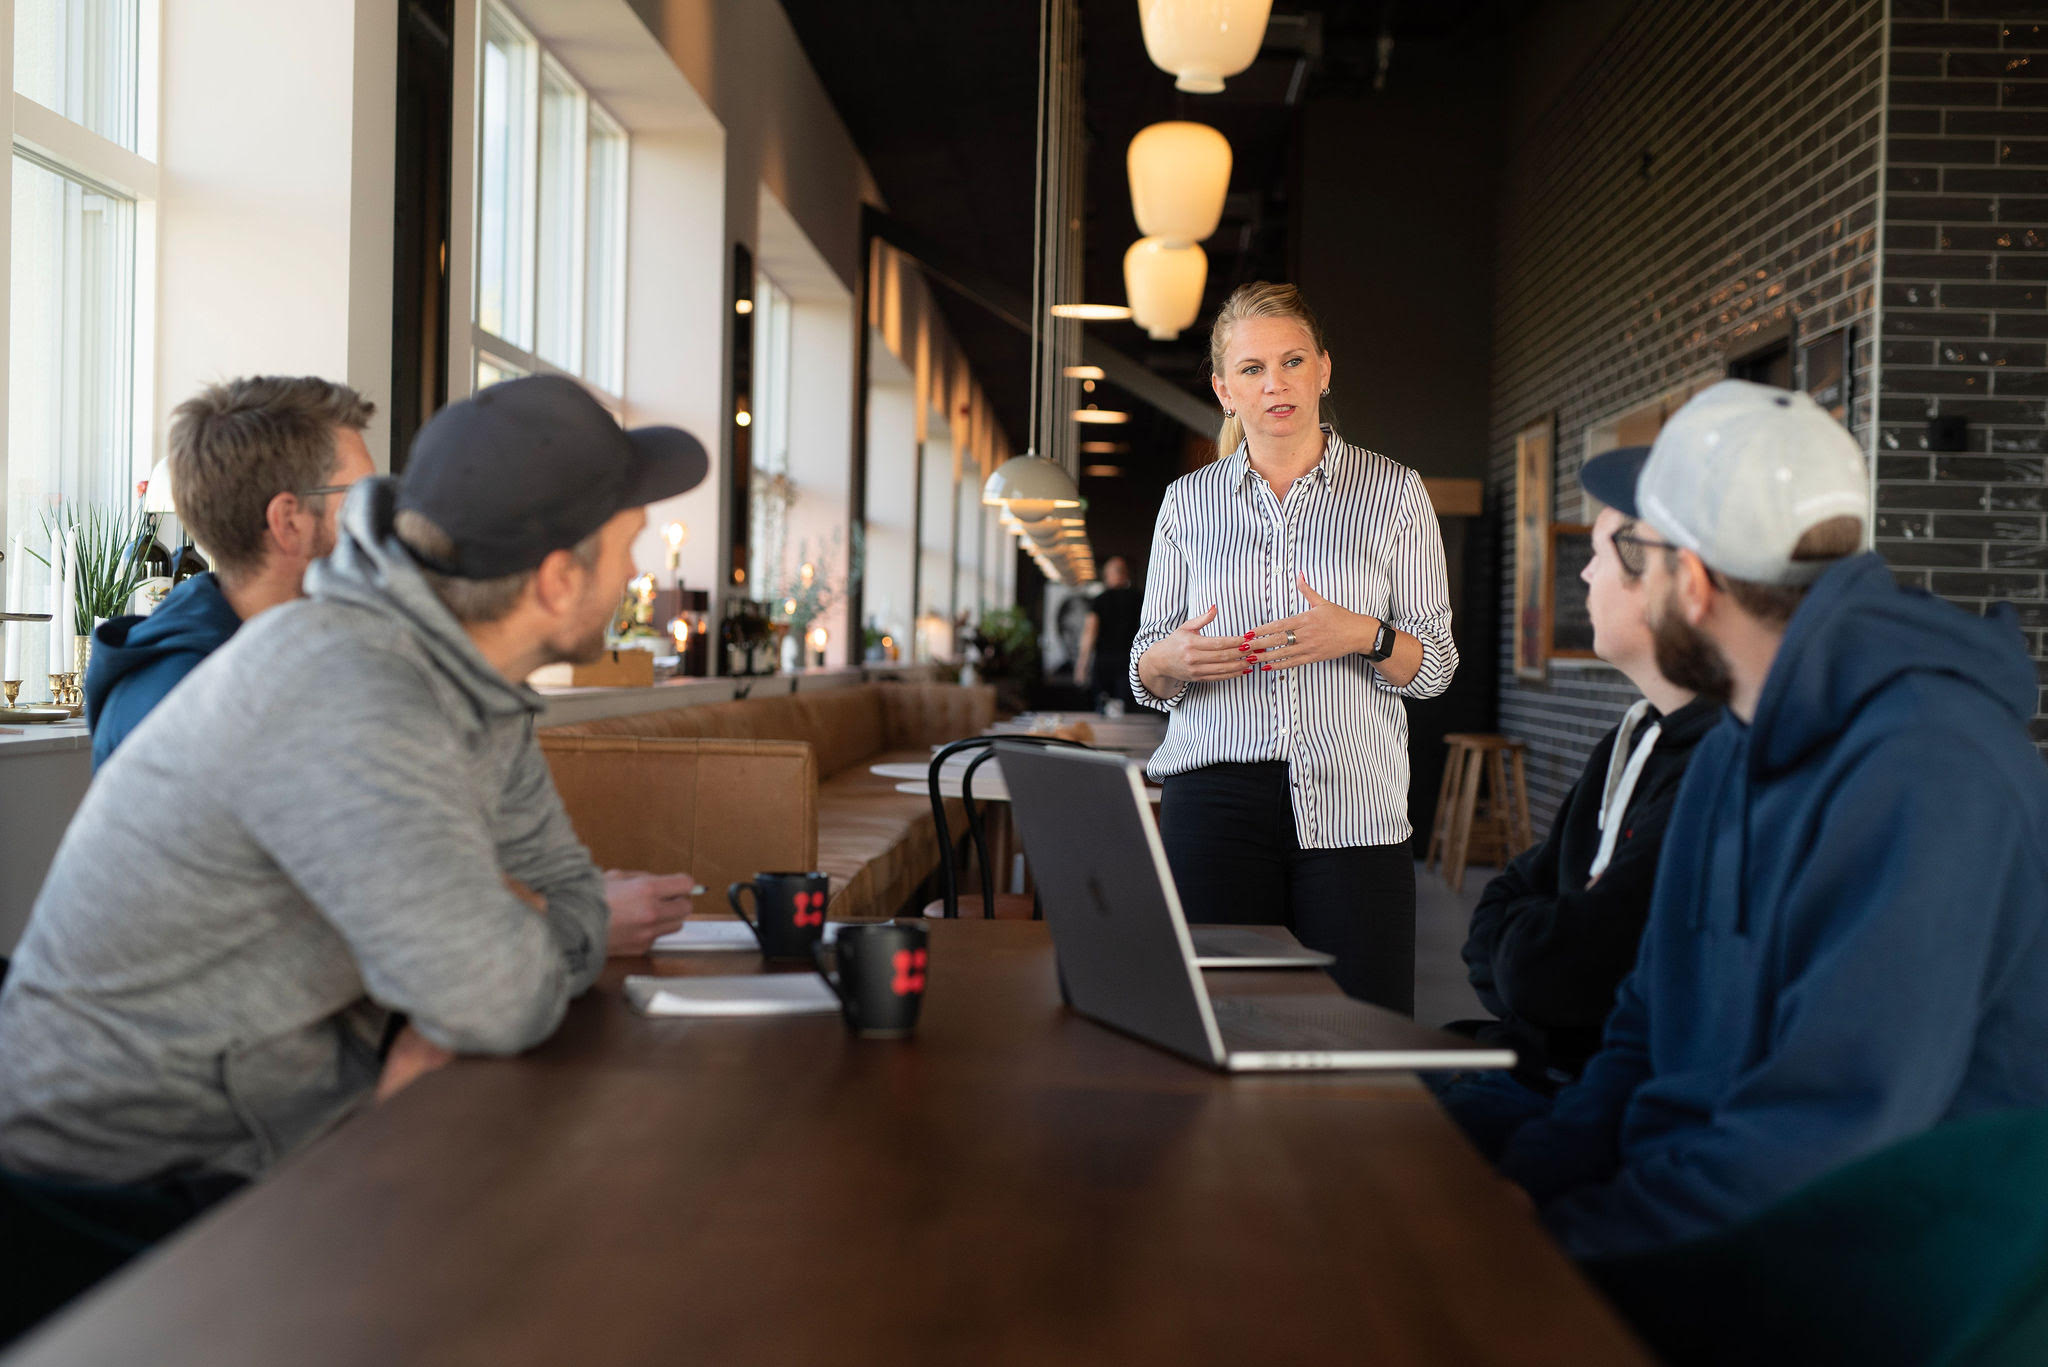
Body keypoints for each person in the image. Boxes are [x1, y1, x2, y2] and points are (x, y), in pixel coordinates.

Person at [0, 377, 709, 1258]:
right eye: (627, 546)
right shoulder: (346, 686)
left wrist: (511, 933)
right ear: (560, 580)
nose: (640, 575)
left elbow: (566, 901)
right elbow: (495, 994)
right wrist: (495, 946)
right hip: (122, 1190)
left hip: (282, 1122)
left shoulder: (480, 687)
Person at [1496, 380, 2048, 1259]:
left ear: (1698, 583)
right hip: (1706, 1211)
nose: (1629, 577)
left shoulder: (1933, 771)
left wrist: (1559, 1251)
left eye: (1640, 552)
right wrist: (1520, 1190)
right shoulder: (1731, 742)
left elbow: (1822, 1142)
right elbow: (1646, 1026)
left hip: (1880, 1278)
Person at [82, 375, 691, 957]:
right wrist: (565, 921)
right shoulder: (183, 695)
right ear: (288, 521)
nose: (397, 522)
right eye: (360, 499)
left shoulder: (387, 656)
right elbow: (383, 899)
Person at [1129, 282, 1458, 1014]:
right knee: (1222, 1021)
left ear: (1323, 371)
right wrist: (1171, 661)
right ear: (1224, 389)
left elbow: (1435, 667)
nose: (1274, 383)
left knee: (1364, 1028)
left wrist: (1363, 636)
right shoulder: (1187, 504)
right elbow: (1145, 665)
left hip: (1355, 804)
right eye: (1251, 369)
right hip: (1212, 803)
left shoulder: (1395, 493)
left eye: (1291, 360)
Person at [1432, 507, 1721, 1158]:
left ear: (1677, 584)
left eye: (1600, 553)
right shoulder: (1631, 738)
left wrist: (1537, 948)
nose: (1585, 572)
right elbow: (1501, 906)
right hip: (1527, 1058)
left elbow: (1562, 975)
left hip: (1579, 1095)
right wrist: (1546, 936)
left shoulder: (1713, 765)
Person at [85, 376, 377, 769]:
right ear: (289, 520)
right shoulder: (180, 705)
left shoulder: (301, 658)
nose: (376, 519)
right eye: (359, 496)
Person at [1075, 555, 1141, 713]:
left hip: (1104, 662)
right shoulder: (1139, 598)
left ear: (1106, 576)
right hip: (1132, 662)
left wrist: (1081, 665)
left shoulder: (1099, 600)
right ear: (1126, 574)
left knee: (1103, 709)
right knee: (1128, 711)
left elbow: (1090, 632)